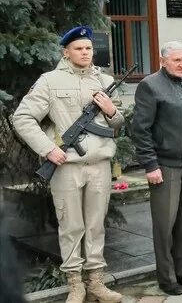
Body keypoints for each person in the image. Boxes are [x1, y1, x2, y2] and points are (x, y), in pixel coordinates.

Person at [13, 26, 124, 303]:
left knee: (96, 225)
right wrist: (48, 149)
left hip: (99, 164)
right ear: (66, 51)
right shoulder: (49, 81)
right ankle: (76, 285)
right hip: (66, 167)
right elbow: (23, 117)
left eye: (88, 48)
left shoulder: (104, 79)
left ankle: (96, 282)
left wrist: (111, 111)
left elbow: (118, 124)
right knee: (71, 226)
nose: (85, 52)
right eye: (79, 48)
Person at [131, 41, 182, 296]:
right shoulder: (150, 86)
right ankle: (166, 278)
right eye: (177, 60)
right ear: (163, 61)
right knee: (165, 225)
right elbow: (140, 129)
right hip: (165, 167)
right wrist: (150, 164)